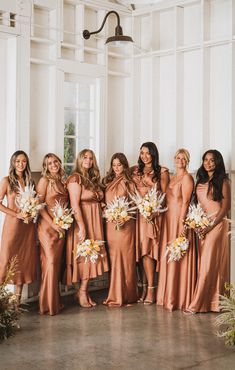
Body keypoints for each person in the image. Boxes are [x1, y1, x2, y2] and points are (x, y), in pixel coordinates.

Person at [187, 150, 230, 313]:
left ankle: (198, 304)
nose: (208, 163)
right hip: (202, 226)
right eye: (205, 160)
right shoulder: (200, 181)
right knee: (206, 264)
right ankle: (213, 303)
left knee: (208, 264)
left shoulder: (223, 181)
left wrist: (210, 226)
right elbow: (197, 207)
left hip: (217, 225)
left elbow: (225, 208)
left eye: (212, 160)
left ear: (217, 162)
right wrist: (197, 223)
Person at [66, 149, 109, 308]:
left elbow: (96, 198)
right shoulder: (75, 178)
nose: (88, 161)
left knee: (92, 256)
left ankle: (84, 291)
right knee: (85, 256)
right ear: (79, 159)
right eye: (85, 157)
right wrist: (82, 226)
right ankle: (82, 291)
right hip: (83, 220)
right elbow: (75, 204)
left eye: (91, 158)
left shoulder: (91, 178)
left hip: (95, 220)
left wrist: (102, 204)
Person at [157, 149, 196, 310]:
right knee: (169, 254)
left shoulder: (187, 178)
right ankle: (167, 295)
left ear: (187, 161)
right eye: (177, 157)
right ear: (174, 159)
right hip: (168, 219)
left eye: (183, 158)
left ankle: (178, 298)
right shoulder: (173, 177)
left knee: (178, 254)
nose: (180, 160)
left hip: (178, 219)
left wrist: (182, 225)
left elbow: (186, 203)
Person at [132, 142, 169, 305]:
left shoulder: (162, 171)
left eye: (147, 153)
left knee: (148, 251)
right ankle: (144, 286)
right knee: (139, 252)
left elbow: (167, 195)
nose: (144, 156)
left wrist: (154, 211)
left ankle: (152, 290)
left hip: (153, 215)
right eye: (141, 153)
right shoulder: (135, 171)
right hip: (138, 216)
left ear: (153, 154)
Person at [0, 150, 37, 305]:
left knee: (23, 262)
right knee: (6, 261)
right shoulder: (7, 181)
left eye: (23, 161)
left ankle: (15, 308)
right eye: (18, 161)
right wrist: (17, 214)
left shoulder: (31, 181)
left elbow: (35, 203)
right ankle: (2, 306)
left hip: (27, 228)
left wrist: (31, 213)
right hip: (13, 227)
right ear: (13, 163)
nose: (21, 164)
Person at [103, 153, 138, 307]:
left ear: (124, 166)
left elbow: (134, 205)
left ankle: (127, 295)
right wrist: (106, 210)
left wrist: (123, 216)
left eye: (120, 165)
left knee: (126, 258)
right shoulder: (107, 181)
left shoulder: (129, 183)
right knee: (114, 258)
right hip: (111, 224)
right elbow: (103, 201)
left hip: (126, 224)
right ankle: (115, 293)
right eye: (114, 165)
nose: (117, 168)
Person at [37, 153, 68, 315]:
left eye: (55, 162)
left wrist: (62, 223)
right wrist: (53, 224)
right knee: (50, 263)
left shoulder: (62, 180)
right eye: (49, 163)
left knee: (56, 264)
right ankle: (47, 305)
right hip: (47, 228)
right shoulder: (44, 181)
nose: (54, 165)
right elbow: (39, 206)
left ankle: (54, 300)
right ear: (46, 167)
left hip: (61, 226)